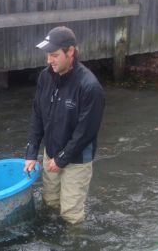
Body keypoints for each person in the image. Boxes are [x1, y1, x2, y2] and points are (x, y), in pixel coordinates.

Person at [23, 26, 105, 224]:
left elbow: (85, 133)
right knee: (49, 203)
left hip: (76, 160)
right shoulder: (45, 77)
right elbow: (37, 114)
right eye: (48, 55)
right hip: (51, 153)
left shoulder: (90, 87)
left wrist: (61, 159)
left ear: (71, 52)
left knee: (71, 215)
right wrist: (32, 152)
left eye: (54, 55)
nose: (49, 60)